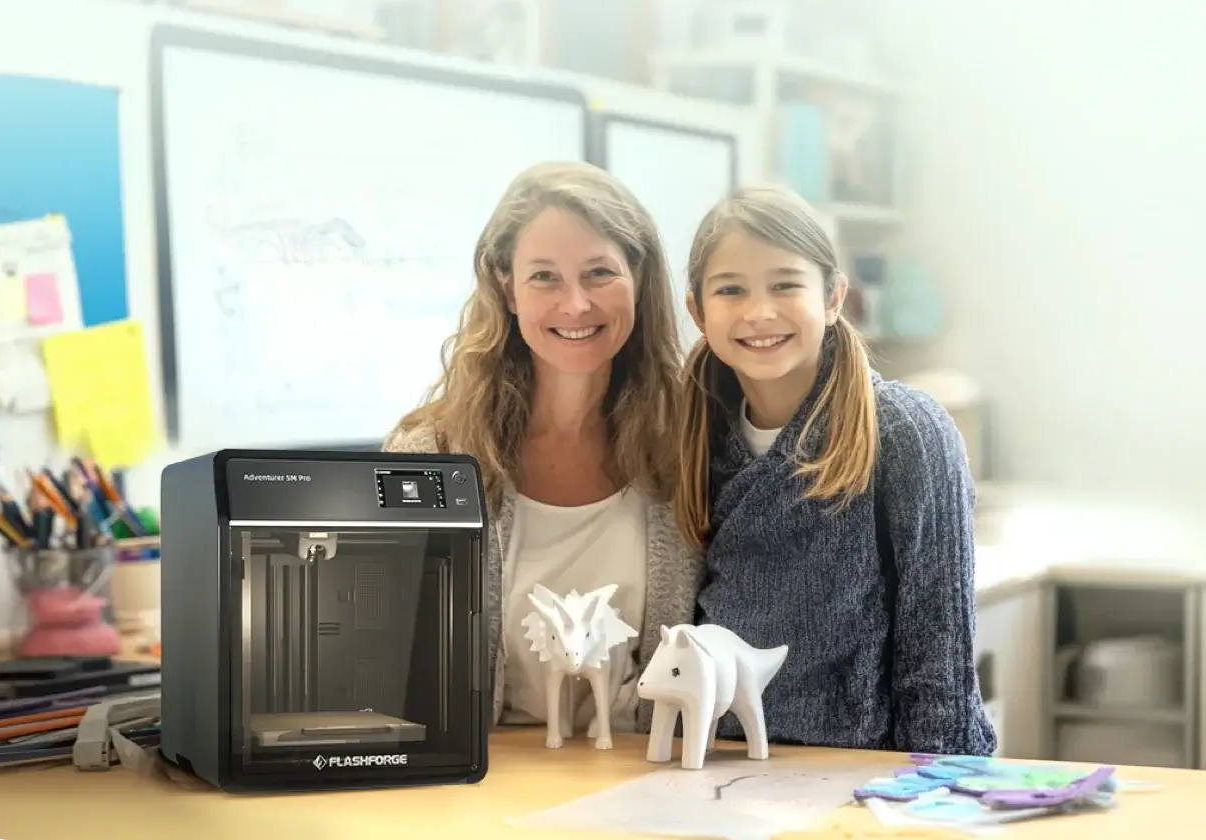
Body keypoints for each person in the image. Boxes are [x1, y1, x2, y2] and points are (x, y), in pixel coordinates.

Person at [383, 161, 703, 740]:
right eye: (545, 278)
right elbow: (383, 661)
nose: (576, 304)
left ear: (639, 276)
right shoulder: (431, 454)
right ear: (506, 288)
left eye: (600, 272)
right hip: (486, 790)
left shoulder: (688, 444)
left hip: (648, 785)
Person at [673, 185, 996, 756]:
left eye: (784, 284)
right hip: (718, 767)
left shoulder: (905, 430)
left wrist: (940, 790)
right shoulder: (691, 432)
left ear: (832, 297)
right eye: (730, 290)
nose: (759, 311)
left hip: (864, 775)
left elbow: (938, 650)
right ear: (697, 311)